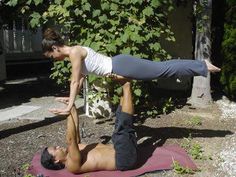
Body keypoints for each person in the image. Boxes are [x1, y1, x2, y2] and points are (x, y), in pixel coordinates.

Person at [42, 28, 221, 115]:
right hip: (120, 65)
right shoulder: (74, 53)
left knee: (162, 70)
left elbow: (74, 81)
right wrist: (70, 99)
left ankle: (201, 65)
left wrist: (68, 107)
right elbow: (79, 80)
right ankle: (200, 65)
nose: (53, 60)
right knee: (162, 69)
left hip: (122, 66)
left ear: (56, 48)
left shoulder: (74, 52)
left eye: (51, 56)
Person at [41, 82, 137, 173]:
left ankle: (124, 85)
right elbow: (71, 140)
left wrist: (72, 107)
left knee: (119, 117)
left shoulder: (73, 151)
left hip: (119, 147)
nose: (58, 146)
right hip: (124, 158)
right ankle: (126, 84)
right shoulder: (71, 165)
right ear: (56, 160)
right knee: (123, 125)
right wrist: (68, 114)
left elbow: (75, 136)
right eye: (55, 149)